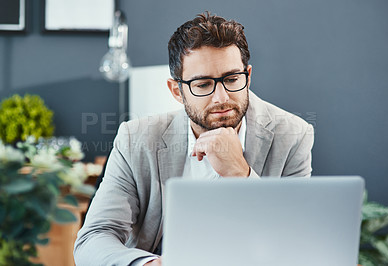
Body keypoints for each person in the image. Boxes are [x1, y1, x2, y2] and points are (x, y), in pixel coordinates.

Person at [74, 11, 314, 266]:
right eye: (203, 85)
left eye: (232, 79)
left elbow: (296, 241)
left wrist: (240, 174)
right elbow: (94, 238)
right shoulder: (136, 139)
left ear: (248, 76)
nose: (221, 98)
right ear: (177, 91)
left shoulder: (292, 135)